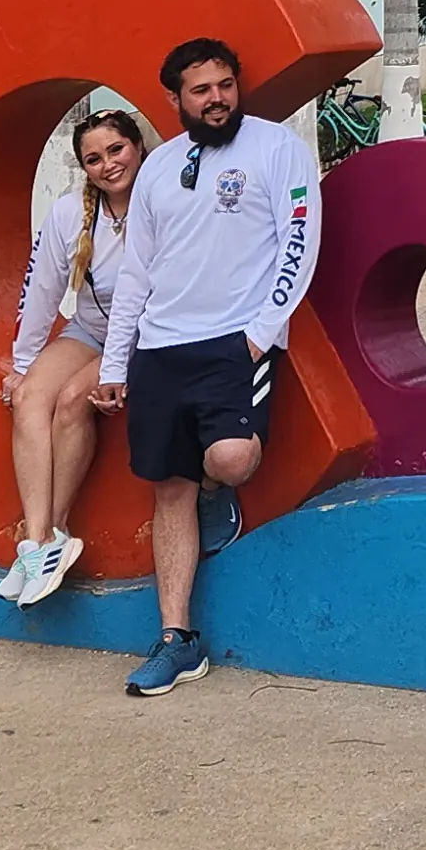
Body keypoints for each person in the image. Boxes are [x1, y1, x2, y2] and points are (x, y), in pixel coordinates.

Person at [91, 38, 322, 697]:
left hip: (233, 343)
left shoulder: (276, 149)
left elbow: (299, 240)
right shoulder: (160, 166)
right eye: (201, 90)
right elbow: (138, 270)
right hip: (160, 348)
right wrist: (117, 360)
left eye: (225, 84)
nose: (216, 97)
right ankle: (177, 640)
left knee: (228, 460)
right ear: (175, 100)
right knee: (169, 490)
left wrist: (261, 334)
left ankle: (217, 493)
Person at [0, 107, 148, 607]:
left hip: (146, 337)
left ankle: (57, 529)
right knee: (32, 397)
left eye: (116, 150)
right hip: (89, 329)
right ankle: (38, 541)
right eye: (93, 159)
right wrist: (22, 364)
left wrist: (117, 368)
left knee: (70, 401)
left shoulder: (162, 203)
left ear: (138, 147)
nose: (108, 165)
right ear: (83, 168)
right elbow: (41, 290)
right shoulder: (70, 213)